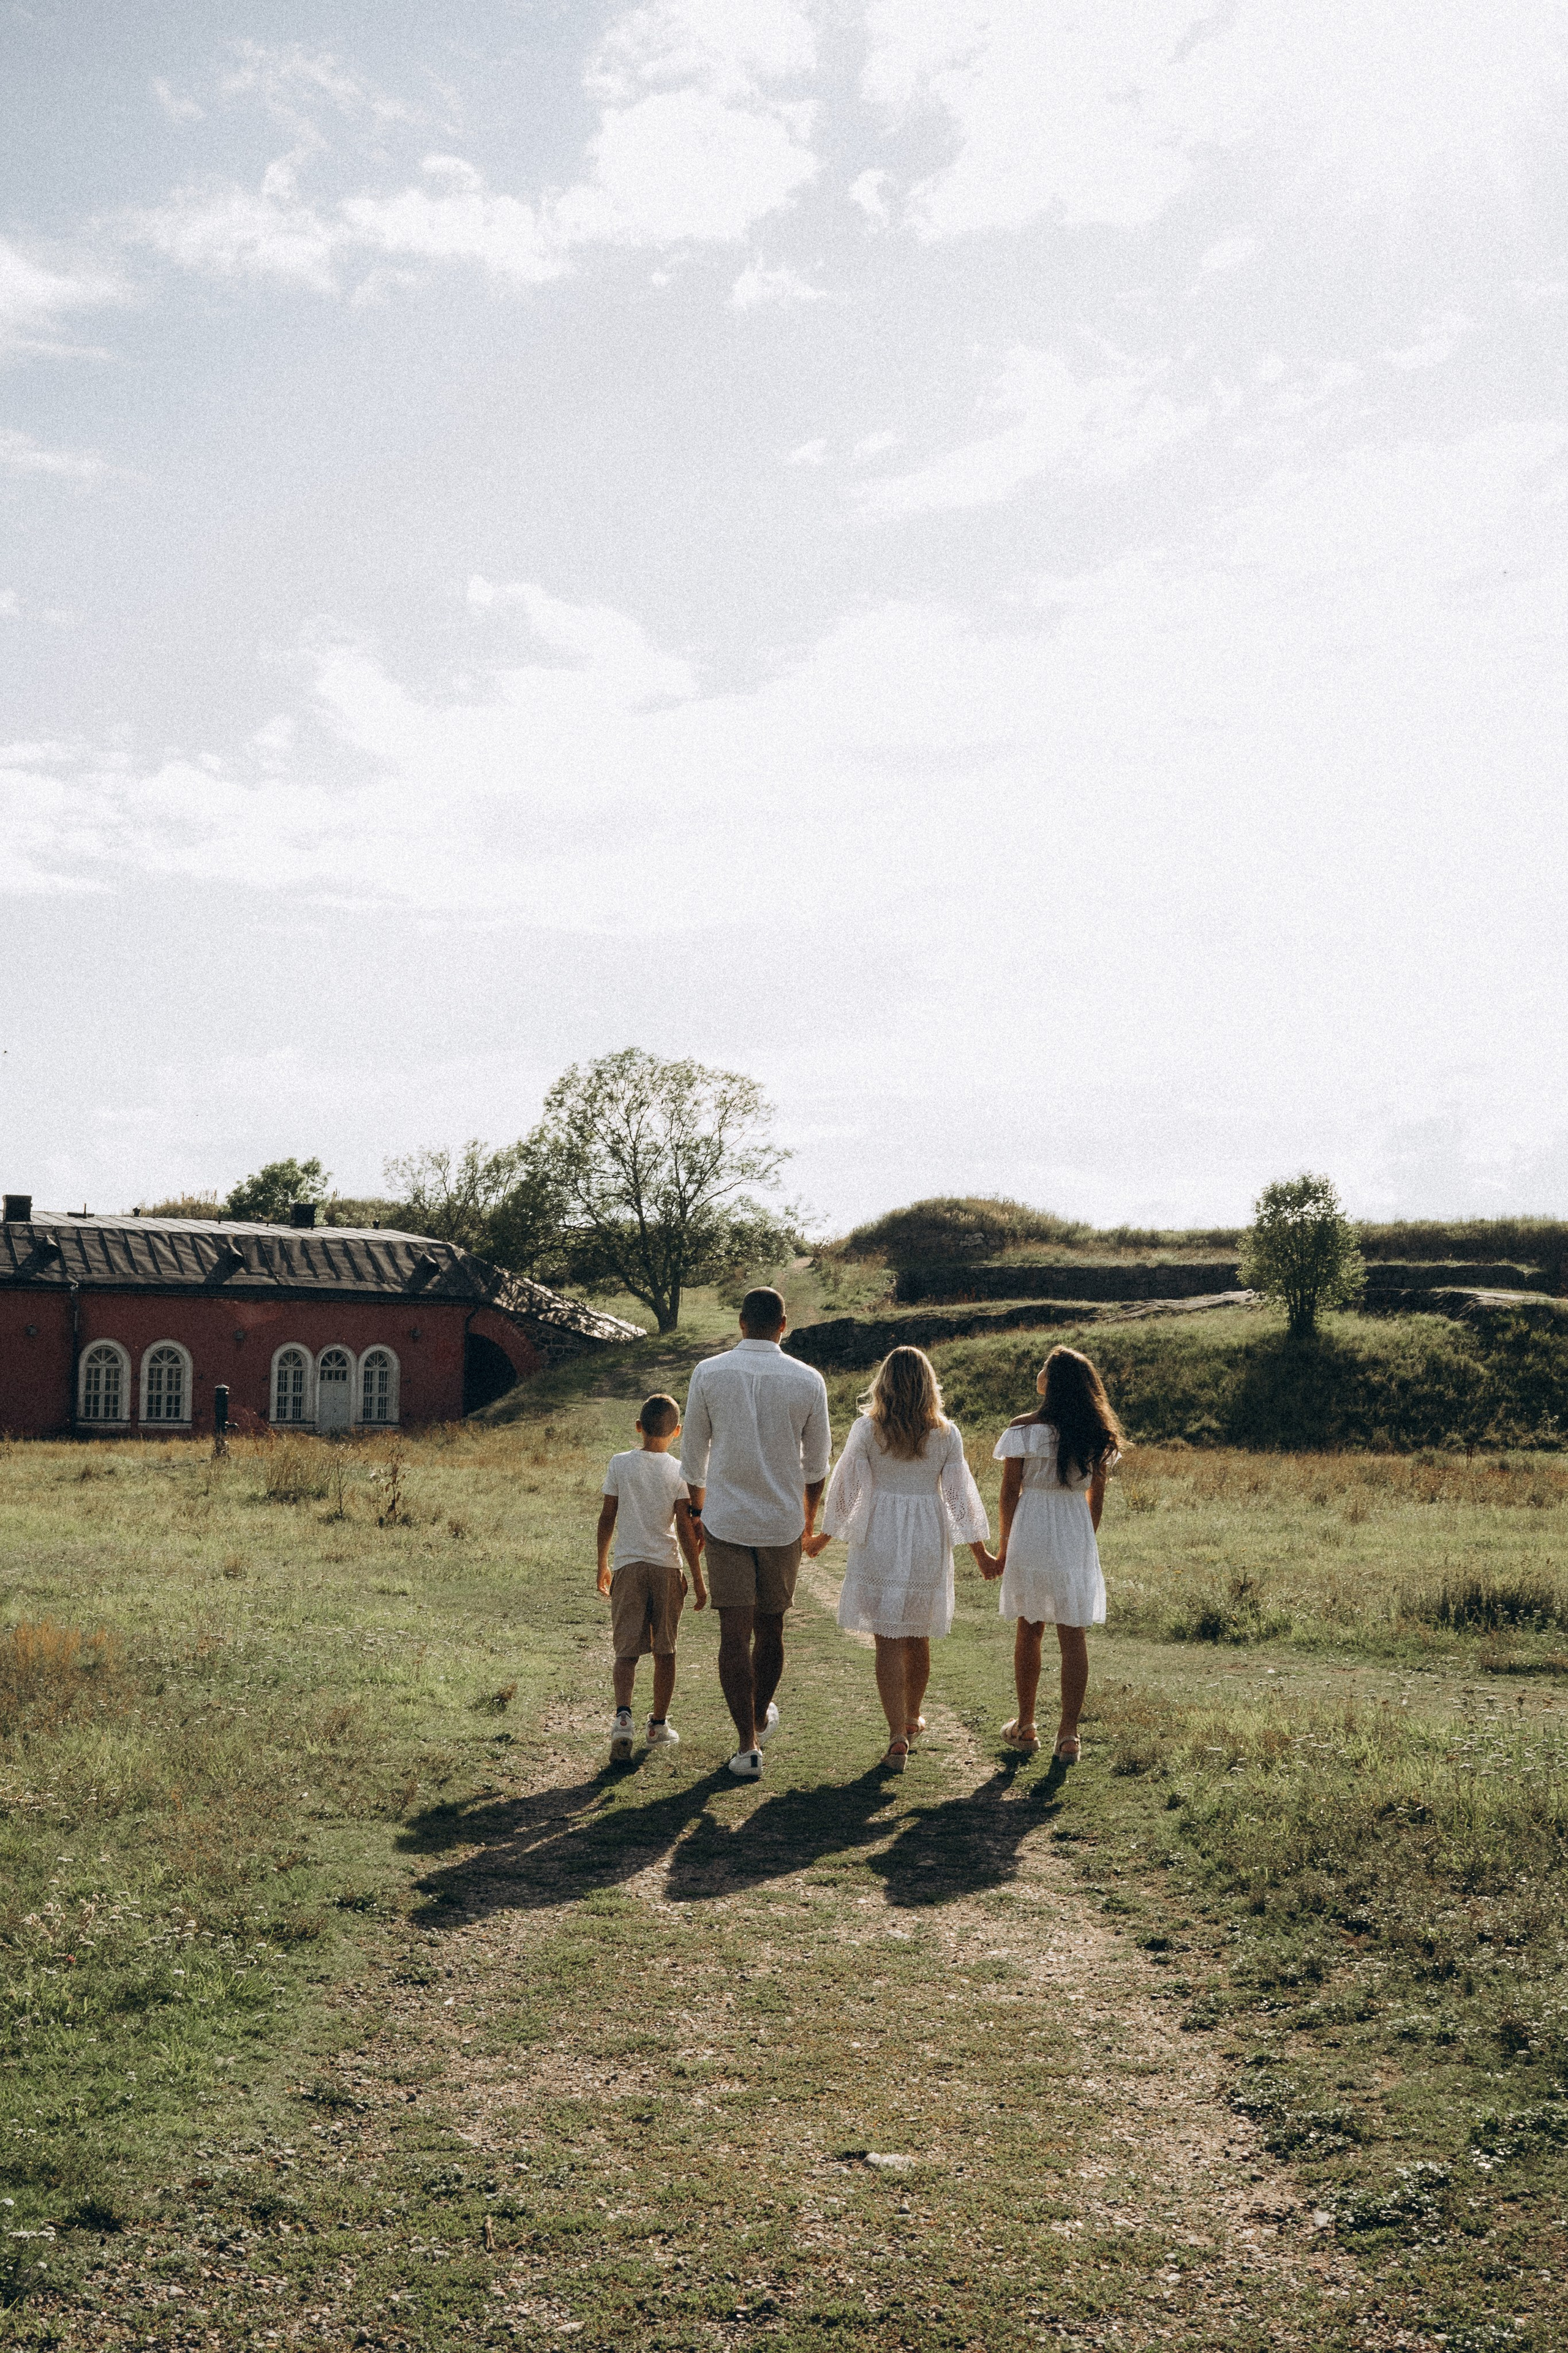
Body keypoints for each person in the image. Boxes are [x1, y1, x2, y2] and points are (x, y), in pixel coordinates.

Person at [804, 1345, 994, 1772]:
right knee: (918, 1632)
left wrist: (824, 1537)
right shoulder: (947, 1432)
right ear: (929, 1384)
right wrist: (980, 1552)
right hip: (928, 1530)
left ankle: (895, 1734)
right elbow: (959, 1497)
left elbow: (846, 1487)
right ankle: (911, 1717)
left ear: (883, 1383)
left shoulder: (867, 1429)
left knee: (887, 1638)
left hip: (881, 1533)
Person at [679, 1286, 831, 1781]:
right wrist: (808, 1517)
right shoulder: (808, 1379)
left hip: (725, 1519)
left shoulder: (709, 1372)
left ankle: (747, 1743)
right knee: (771, 1629)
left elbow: (692, 1458)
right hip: (781, 1521)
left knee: (732, 1634)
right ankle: (760, 1713)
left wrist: (699, 1512)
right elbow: (818, 1464)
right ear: (784, 1324)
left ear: (742, 1321)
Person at [990, 1345, 1124, 1764]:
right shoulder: (1094, 1431)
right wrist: (1083, 1539)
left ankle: (1027, 1724)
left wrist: (1006, 1544)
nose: (1040, 1370)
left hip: (1032, 1524)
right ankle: (1069, 1734)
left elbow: (1009, 1493)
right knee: (1073, 1632)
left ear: (1052, 1379)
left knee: (1029, 1627)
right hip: (1072, 1527)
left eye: (1045, 1366)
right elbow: (1095, 1499)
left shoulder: (1023, 1429)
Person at [596, 1393, 706, 1764]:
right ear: (677, 1431)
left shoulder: (619, 1464)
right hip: (666, 1567)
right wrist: (698, 1578)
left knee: (626, 1651)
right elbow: (685, 1529)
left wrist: (602, 1564)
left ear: (638, 1427)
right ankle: (658, 1724)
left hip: (628, 1565)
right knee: (666, 1649)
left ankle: (623, 1718)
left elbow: (607, 1516)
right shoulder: (679, 1472)